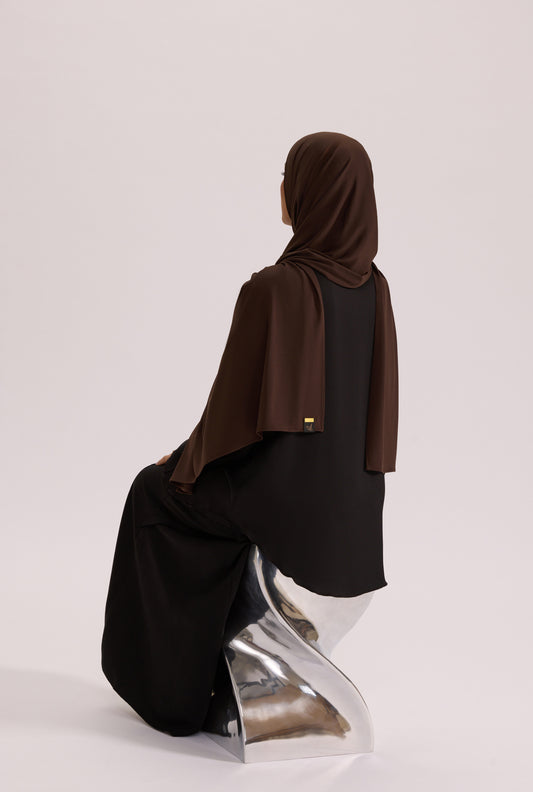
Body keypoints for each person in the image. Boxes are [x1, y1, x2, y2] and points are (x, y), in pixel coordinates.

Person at [101, 131, 399, 737]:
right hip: (356, 508)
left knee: (153, 493)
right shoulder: (374, 287)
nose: (282, 190)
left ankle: (173, 695)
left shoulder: (274, 287)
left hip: (281, 505)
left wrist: (181, 462)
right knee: (192, 488)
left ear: (308, 192)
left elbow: (230, 418)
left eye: (289, 178)